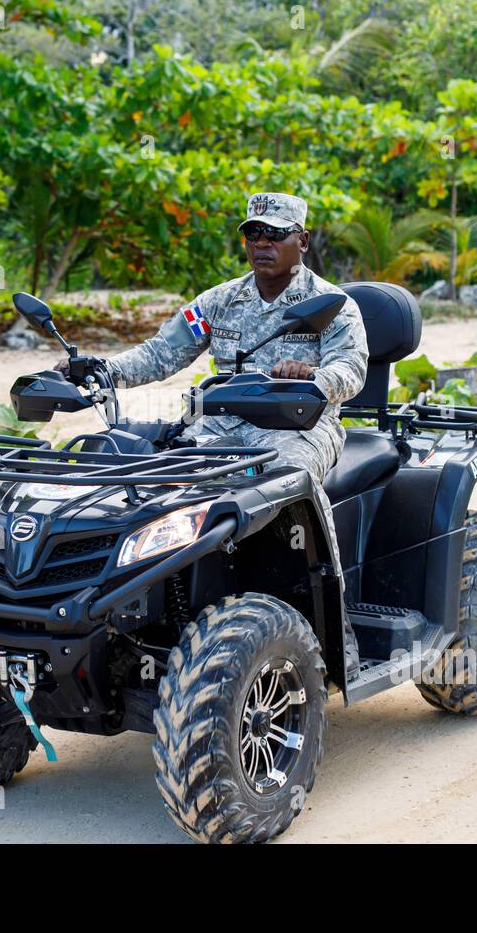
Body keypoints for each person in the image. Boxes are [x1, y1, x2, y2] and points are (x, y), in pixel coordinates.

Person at [58, 192, 370, 672]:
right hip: (219, 425)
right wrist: (101, 371)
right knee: (158, 484)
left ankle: (336, 623)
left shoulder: (331, 305)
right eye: (253, 233)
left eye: (275, 234)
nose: (261, 243)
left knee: (291, 480)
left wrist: (312, 377)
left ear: (302, 241)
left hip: (300, 426)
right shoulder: (221, 300)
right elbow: (161, 353)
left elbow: (351, 368)